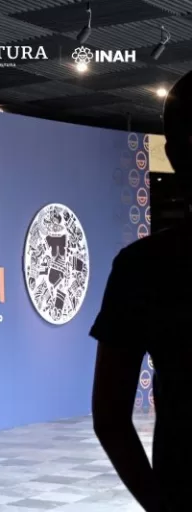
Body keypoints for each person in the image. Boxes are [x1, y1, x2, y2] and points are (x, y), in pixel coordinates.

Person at [90, 70, 192, 512]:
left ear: (172, 153)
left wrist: (161, 506)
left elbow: (109, 417)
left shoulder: (143, 266)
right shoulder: (140, 266)